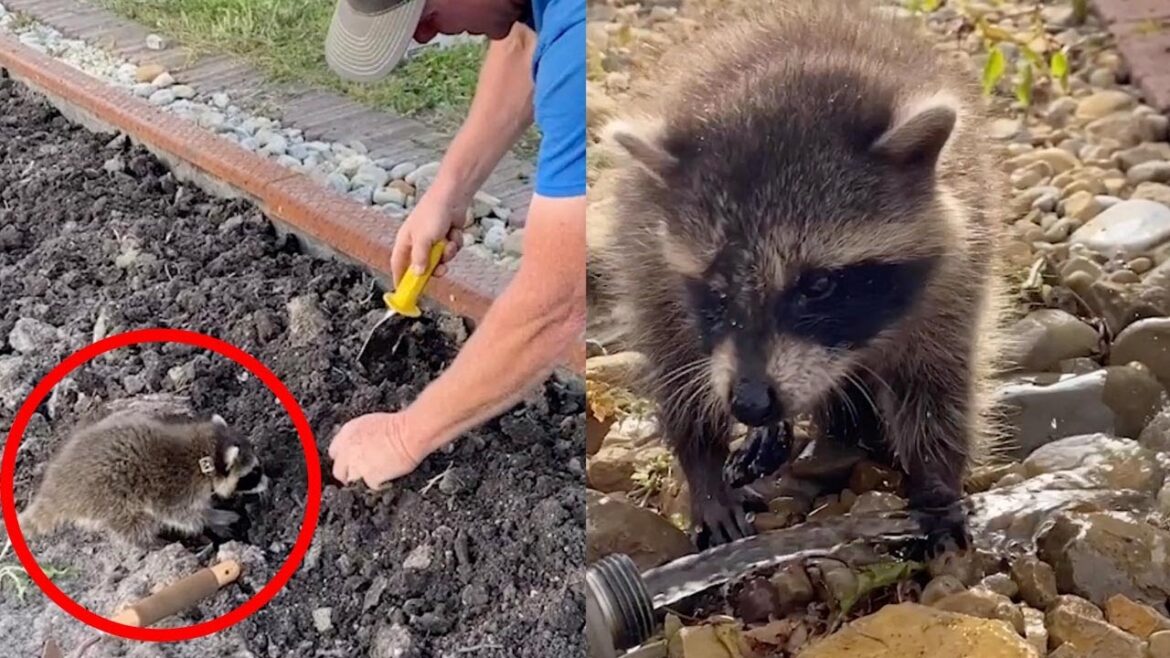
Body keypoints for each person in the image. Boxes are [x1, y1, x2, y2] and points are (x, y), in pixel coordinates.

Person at [326, 0, 586, 489]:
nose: (423, 37)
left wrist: (404, 436)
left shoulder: (582, 45)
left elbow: (558, 300)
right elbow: (524, 40)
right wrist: (449, 189)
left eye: (423, 12)